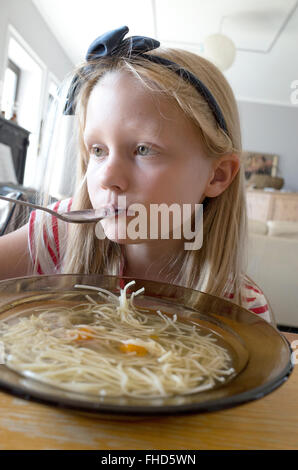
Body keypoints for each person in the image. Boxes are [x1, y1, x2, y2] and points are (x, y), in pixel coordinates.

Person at [0, 26, 273, 324]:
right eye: (98, 150)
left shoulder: (244, 310)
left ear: (217, 176)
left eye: (143, 150)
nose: (107, 178)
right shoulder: (59, 233)